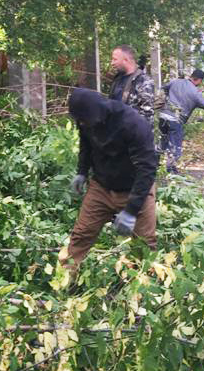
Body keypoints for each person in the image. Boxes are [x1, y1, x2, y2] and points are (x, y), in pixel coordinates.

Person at [61, 89, 159, 272]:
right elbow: (86, 144)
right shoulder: (85, 119)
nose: (81, 124)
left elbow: (147, 169)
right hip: (101, 187)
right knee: (81, 235)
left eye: (84, 120)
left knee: (145, 244)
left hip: (135, 188)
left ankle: (144, 289)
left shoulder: (133, 124)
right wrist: (82, 171)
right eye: (79, 120)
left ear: (97, 113)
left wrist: (131, 210)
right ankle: (66, 281)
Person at [158, 69, 204, 174]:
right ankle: (171, 172)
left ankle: (153, 163)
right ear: (199, 80)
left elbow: (163, 88)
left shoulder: (176, 82)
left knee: (163, 141)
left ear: (191, 76)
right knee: (175, 147)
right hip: (175, 121)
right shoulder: (195, 94)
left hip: (163, 116)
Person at [108, 45, 157, 125]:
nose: (112, 63)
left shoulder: (143, 81)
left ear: (126, 60)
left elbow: (147, 116)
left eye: (115, 59)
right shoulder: (117, 79)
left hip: (131, 134)